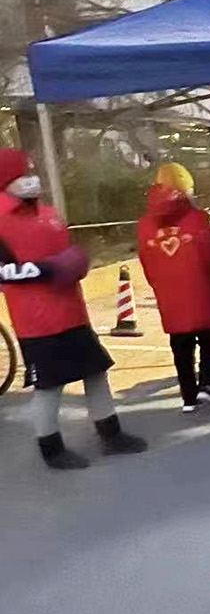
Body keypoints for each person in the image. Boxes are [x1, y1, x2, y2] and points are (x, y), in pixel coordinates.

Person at [0, 148, 147, 470]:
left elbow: (64, 250)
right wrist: (48, 269)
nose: (30, 179)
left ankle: (111, 433)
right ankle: (51, 449)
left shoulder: (47, 213)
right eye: (22, 174)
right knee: (49, 386)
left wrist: (75, 260)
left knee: (96, 371)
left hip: (72, 312)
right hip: (37, 322)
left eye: (31, 172)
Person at [137, 180, 210, 412]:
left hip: (170, 296)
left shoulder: (145, 226)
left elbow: (146, 262)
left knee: (180, 346)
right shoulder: (197, 219)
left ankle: (188, 397)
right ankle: (207, 385)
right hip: (202, 291)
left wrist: (158, 286)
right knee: (209, 341)